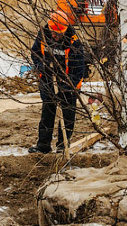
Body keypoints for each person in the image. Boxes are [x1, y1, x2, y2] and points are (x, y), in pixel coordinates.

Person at [29, 10, 88, 154]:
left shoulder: (74, 42)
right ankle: (43, 145)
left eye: (58, 34)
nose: (55, 36)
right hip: (48, 79)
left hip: (69, 84)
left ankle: (63, 146)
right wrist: (40, 67)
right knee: (47, 113)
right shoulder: (44, 34)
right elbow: (35, 52)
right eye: (53, 33)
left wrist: (65, 87)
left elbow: (78, 70)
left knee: (67, 115)